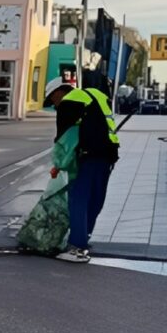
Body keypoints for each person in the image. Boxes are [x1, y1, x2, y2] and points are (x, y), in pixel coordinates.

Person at [44, 77, 119, 263]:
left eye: (52, 100)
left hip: (87, 156)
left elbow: (62, 140)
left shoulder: (69, 102)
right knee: (95, 199)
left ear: (58, 92)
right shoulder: (94, 95)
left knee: (78, 200)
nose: (54, 105)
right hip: (108, 154)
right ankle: (84, 238)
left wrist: (58, 165)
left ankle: (77, 248)